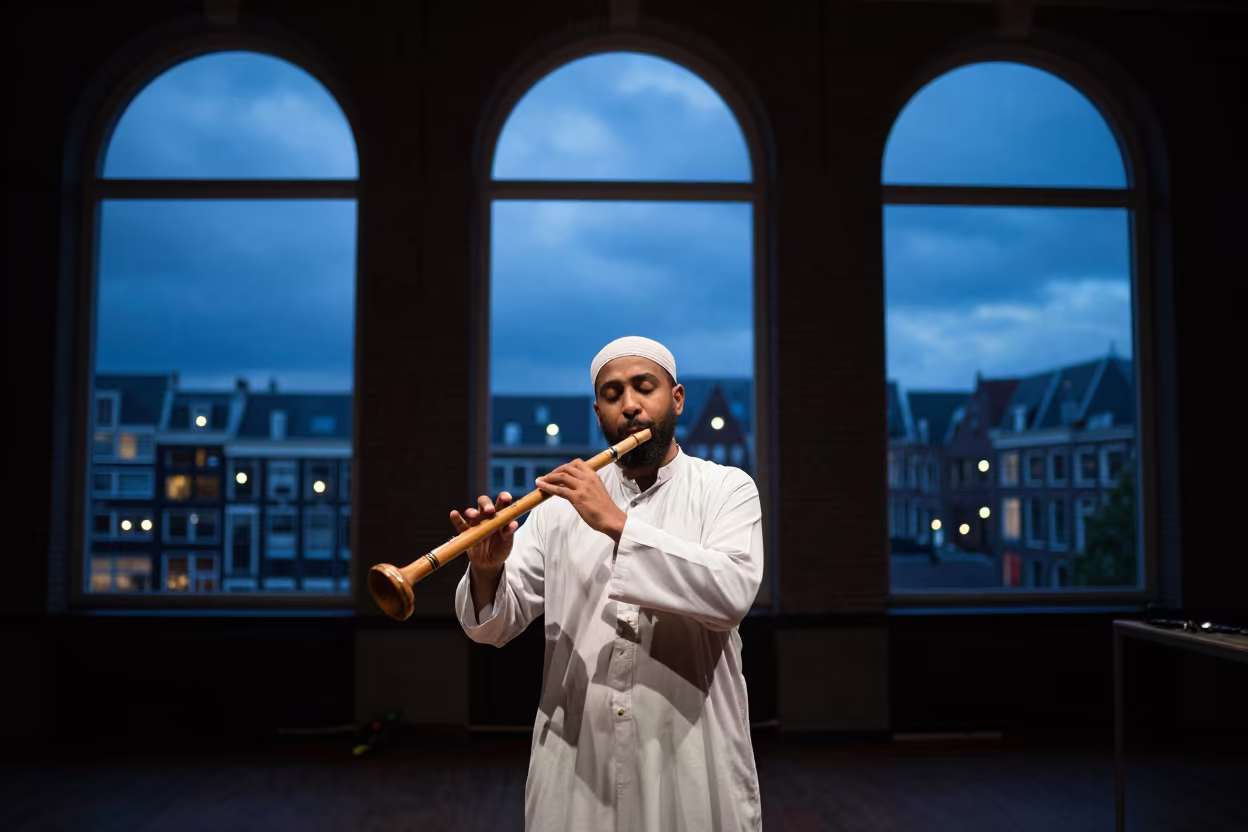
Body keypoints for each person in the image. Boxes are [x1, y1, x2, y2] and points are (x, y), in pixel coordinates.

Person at [453, 335, 764, 831]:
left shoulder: (727, 489)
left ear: (676, 399)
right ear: (598, 411)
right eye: (614, 394)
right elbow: (493, 628)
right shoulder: (557, 507)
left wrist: (616, 524)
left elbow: (729, 595)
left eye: (645, 388)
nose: (631, 406)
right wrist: (487, 568)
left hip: (690, 759)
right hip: (579, 764)